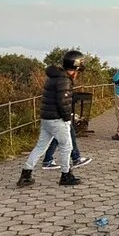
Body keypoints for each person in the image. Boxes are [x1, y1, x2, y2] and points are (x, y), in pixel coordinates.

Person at [17, 50, 85, 187]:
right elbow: (64, 102)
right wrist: (67, 119)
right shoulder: (64, 80)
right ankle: (66, 175)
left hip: (46, 118)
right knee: (66, 146)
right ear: (74, 68)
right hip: (57, 119)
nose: (77, 74)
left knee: (40, 146)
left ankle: (26, 174)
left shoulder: (53, 76)